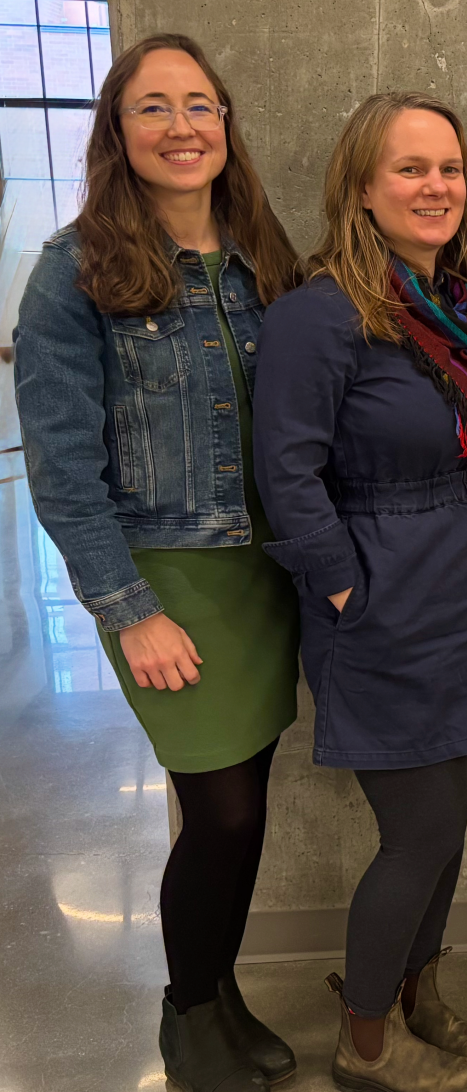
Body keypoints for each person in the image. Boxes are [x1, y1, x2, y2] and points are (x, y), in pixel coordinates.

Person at [13, 34, 302, 1092]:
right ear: (117, 130)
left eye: (199, 105)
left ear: (225, 123)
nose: (182, 127)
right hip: (168, 581)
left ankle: (221, 996)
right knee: (221, 813)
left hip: (265, 576)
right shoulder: (74, 272)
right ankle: (188, 1016)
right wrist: (128, 608)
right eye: (153, 107)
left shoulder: (263, 258)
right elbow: (61, 470)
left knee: (248, 805)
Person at [253, 91, 467, 1092]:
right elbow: (285, 471)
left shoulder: (457, 307)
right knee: (418, 836)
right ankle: (365, 1044)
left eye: (449, 168)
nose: (435, 186)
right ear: (361, 188)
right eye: (410, 168)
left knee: (448, 829)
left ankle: (418, 999)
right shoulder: (321, 314)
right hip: (389, 615)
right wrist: (342, 592)